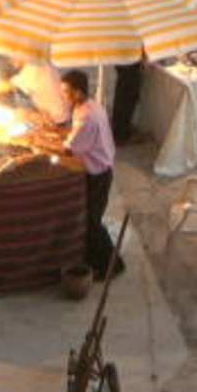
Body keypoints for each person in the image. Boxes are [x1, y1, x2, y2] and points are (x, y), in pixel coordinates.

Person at [62, 70, 121, 281]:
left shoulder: (88, 117)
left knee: (92, 221)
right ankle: (93, 259)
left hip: (98, 174)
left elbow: (71, 148)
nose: (64, 96)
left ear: (78, 92)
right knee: (90, 218)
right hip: (100, 168)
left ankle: (112, 266)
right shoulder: (90, 106)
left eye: (66, 91)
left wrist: (51, 143)